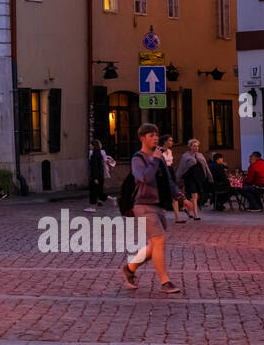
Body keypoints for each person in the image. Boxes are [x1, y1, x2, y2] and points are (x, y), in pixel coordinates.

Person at [121, 123, 180, 294]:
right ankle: (165, 282)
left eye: (156, 135)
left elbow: (168, 180)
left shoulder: (158, 158)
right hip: (143, 205)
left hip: (158, 205)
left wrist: (181, 197)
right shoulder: (137, 158)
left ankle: (130, 268)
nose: (155, 138)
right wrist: (155, 159)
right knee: (159, 240)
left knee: (153, 246)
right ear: (143, 138)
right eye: (151, 136)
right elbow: (144, 177)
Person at [176, 139, 211, 221]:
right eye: (194, 146)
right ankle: (196, 214)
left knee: (195, 196)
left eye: (197, 146)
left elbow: (206, 167)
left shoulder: (200, 155)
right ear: (190, 147)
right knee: (194, 195)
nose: (196, 148)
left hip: (198, 178)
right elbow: (182, 168)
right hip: (189, 177)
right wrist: (177, 178)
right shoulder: (185, 156)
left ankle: (187, 209)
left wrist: (209, 177)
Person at [87, 139, 108, 211]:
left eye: (91, 145)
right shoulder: (99, 154)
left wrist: (95, 178)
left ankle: (92, 207)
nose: (89, 146)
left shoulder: (94, 155)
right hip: (100, 176)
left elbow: (95, 167)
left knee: (93, 192)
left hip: (96, 176)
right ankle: (111, 198)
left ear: (94, 146)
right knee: (98, 191)